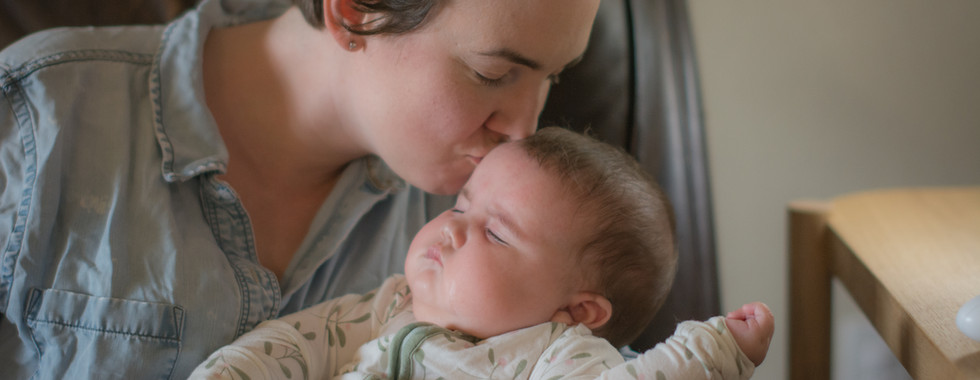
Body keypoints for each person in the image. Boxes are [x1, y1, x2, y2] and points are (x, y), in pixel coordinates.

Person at [0, 0, 602, 378]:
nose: (523, 129)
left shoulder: (496, 212)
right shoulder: (39, 123)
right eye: (491, 74)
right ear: (354, 13)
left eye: (550, 76)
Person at [188, 127, 775, 379]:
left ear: (577, 311)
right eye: (461, 206)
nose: (451, 229)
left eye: (496, 234)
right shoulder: (388, 305)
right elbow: (288, 347)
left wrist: (718, 348)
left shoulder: (555, 357)